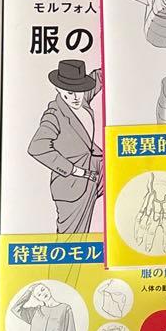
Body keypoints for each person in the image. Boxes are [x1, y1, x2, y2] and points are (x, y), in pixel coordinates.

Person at [28, 59, 103, 235]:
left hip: (98, 172)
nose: (76, 97)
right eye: (70, 93)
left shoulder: (81, 99)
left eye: (80, 91)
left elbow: (99, 77)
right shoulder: (54, 115)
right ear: (58, 89)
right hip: (73, 185)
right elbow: (36, 147)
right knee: (72, 240)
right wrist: (74, 170)